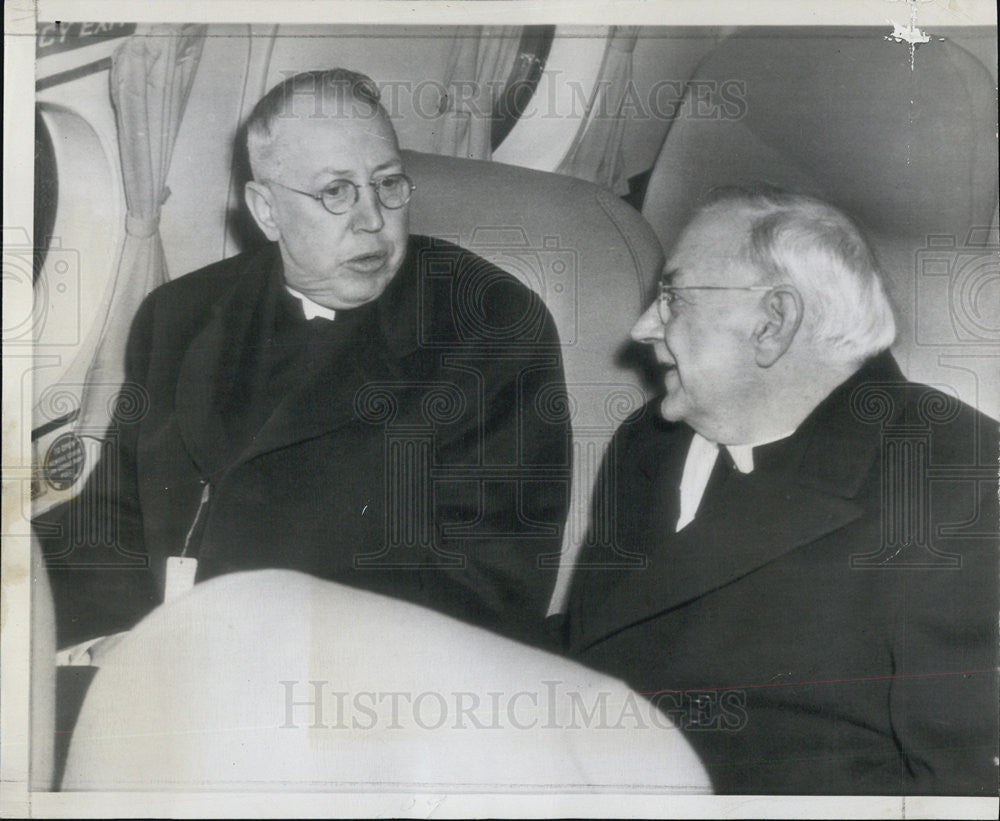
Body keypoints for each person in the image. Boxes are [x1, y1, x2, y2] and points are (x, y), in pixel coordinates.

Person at [37, 69, 570, 650]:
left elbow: (486, 589)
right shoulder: (180, 314)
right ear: (266, 211)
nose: (372, 219)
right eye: (335, 192)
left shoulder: (489, 323)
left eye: (388, 184)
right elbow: (116, 520)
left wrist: (211, 651)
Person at [566, 188, 999, 794]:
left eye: (671, 298)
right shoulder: (651, 440)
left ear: (774, 321)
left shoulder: (961, 482)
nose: (642, 328)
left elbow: (968, 790)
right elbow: (593, 652)